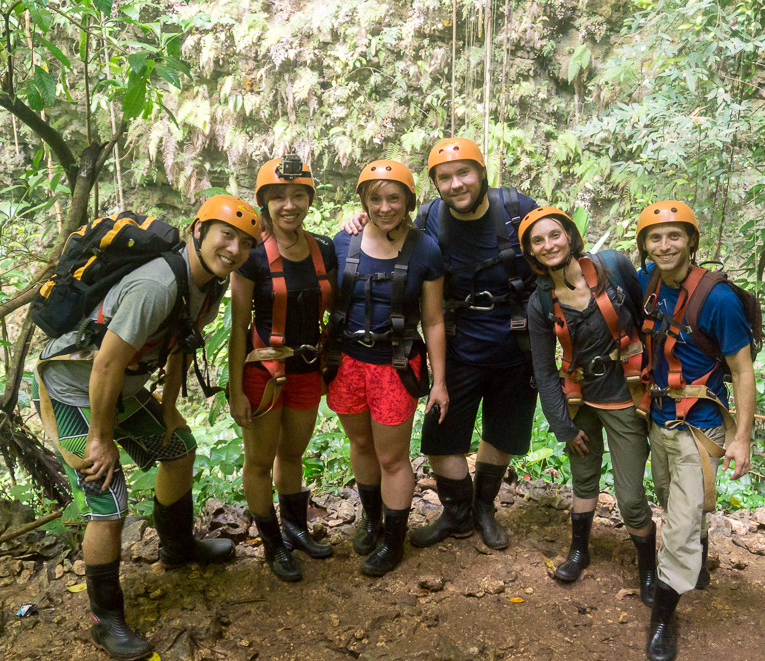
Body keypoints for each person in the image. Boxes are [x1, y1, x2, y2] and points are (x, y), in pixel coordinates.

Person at [34, 195, 261, 661]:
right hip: (73, 388)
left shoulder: (208, 284)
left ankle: (177, 548)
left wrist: (172, 406)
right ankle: (106, 620)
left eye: (244, 242)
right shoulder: (156, 285)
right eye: (226, 235)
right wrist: (100, 439)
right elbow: (105, 364)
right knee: (108, 498)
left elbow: (180, 343)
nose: (234, 249)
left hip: (122, 387)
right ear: (198, 231)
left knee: (178, 448)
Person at [342, 138, 538, 550]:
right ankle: (457, 513)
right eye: (444, 178)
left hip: (516, 345)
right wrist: (362, 218)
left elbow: (552, 248)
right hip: (459, 342)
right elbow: (391, 230)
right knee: (440, 438)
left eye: (464, 173)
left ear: (482, 173)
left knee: (500, 435)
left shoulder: (516, 209)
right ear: (433, 185)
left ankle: (483, 509)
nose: (456, 184)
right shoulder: (430, 218)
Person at [635, 200, 756, 661]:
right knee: (672, 502)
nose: (665, 245)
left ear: (691, 242)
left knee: (679, 527)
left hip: (698, 427)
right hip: (660, 418)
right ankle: (697, 559)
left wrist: (741, 437)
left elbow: (743, 371)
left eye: (674, 236)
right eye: (656, 237)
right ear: (645, 245)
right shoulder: (649, 284)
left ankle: (664, 618)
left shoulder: (717, 299)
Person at [519, 207, 657, 601]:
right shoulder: (541, 302)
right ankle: (579, 550)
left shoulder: (612, 265)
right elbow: (544, 370)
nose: (549, 245)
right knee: (583, 480)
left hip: (624, 398)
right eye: (538, 241)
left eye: (554, 235)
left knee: (630, 498)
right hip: (579, 400)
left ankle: (649, 569)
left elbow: (645, 320)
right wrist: (562, 424)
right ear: (531, 251)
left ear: (569, 235)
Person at [326, 160, 448, 576]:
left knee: (392, 457)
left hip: (394, 365)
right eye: (374, 198)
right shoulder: (343, 243)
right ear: (362, 201)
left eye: (394, 197)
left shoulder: (425, 249)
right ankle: (372, 519)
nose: (384, 207)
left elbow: (433, 320)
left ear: (409, 201)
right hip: (346, 362)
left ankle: (393, 542)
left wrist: (440, 382)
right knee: (361, 446)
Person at [228, 155, 338, 583]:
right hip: (263, 370)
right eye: (278, 198)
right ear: (265, 204)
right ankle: (273, 544)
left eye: (298, 196)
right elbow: (238, 326)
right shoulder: (252, 257)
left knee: (292, 454)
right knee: (259, 461)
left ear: (309, 199)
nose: (289, 205)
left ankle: (295, 528)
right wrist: (235, 388)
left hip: (308, 368)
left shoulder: (323, 248)